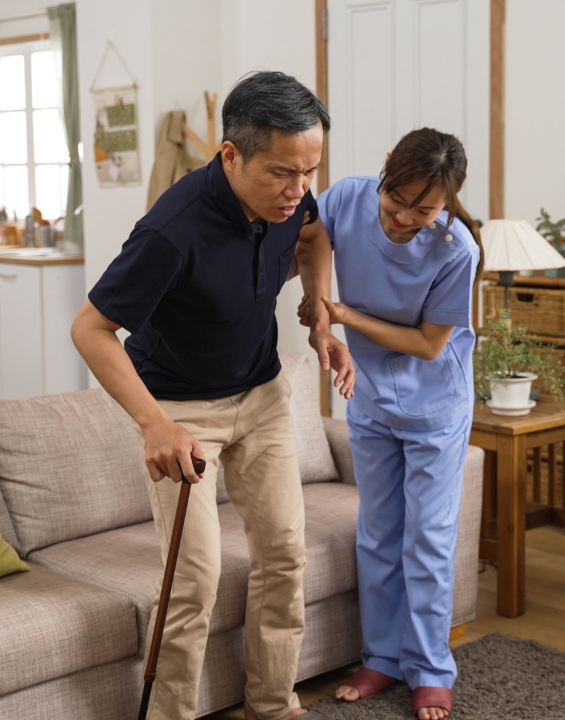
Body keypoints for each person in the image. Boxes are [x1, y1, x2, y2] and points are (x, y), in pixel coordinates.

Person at [71, 71, 355, 720]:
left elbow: (313, 235)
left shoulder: (290, 203)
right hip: (181, 411)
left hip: (261, 396)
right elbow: (90, 330)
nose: (299, 189)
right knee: (193, 580)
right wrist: (153, 424)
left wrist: (320, 317)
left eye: (311, 171)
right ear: (231, 154)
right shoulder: (172, 230)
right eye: (283, 172)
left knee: (285, 552)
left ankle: (273, 706)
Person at [295, 128, 483, 720]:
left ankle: (430, 669)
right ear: (383, 174)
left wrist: (344, 312)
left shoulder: (457, 251)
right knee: (377, 532)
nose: (404, 218)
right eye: (395, 200)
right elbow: (310, 235)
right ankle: (380, 658)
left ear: (448, 201)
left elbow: (429, 345)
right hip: (371, 397)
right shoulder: (349, 197)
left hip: (435, 407)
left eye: (423, 209)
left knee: (426, 537)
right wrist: (319, 306)